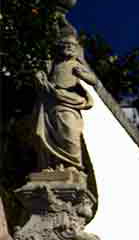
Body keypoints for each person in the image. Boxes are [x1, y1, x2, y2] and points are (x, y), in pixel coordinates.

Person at [32, 28, 98, 173]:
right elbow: (44, 77)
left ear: (76, 49)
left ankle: (73, 164)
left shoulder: (76, 64)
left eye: (72, 46)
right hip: (52, 102)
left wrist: (82, 75)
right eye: (65, 45)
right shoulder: (53, 64)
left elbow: (93, 81)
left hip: (70, 102)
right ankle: (55, 165)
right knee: (52, 135)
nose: (68, 47)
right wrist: (40, 77)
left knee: (69, 133)